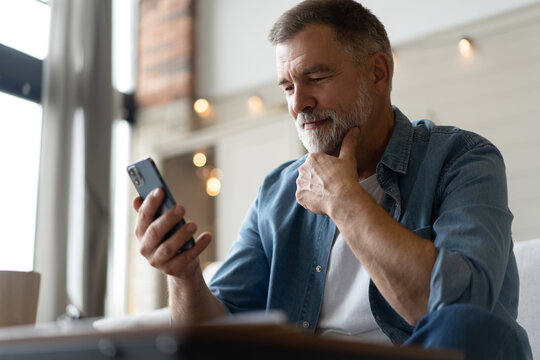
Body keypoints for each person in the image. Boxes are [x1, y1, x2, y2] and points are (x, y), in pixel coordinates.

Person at [133, 0, 532, 358]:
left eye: (316, 78)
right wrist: (183, 275)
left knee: (472, 326)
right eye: (288, 87)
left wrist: (343, 198)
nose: (297, 104)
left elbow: (460, 313)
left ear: (378, 73)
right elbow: (212, 343)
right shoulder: (277, 192)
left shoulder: (462, 160)